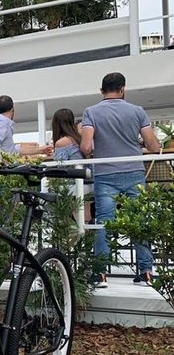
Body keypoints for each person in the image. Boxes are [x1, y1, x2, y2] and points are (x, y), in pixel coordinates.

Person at [80, 72, 160, 286]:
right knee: (139, 221)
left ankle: (100, 273)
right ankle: (146, 271)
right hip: (134, 171)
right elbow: (153, 146)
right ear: (123, 89)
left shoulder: (91, 112)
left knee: (104, 222)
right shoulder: (137, 111)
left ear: (101, 90)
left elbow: (86, 147)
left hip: (105, 174)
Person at [0, 95, 52, 165]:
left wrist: (40, 150)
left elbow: (12, 150)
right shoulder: (2, 122)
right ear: (12, 109)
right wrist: (4, 163)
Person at [51, 108, 93, 223]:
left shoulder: (61, 143)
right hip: (88, 182)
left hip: (74, 184)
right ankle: (87, 236)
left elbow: (60, 167)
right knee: (85, 216)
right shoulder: (79, 139)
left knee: (47, 192)